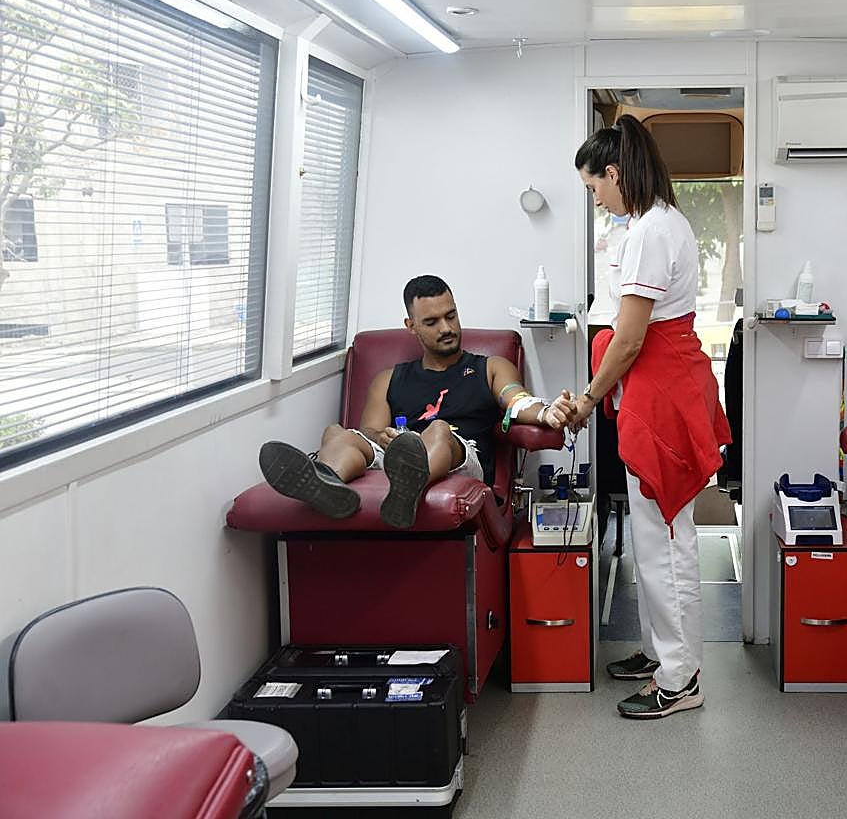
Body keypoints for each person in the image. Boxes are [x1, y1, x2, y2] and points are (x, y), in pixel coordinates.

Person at [573, 115, 731, 720]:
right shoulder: (660, 221)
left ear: (613, 174)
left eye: (595, 188)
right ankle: (661, 653)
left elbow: (629, 339)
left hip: (660, 392)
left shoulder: (648, 232)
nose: (597, 198)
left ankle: (679, 678)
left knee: (665, 539)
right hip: (666, 384)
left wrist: (588, 398)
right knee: (656, 536)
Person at [258, 275, 575, 528]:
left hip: (460, 455)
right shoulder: (388, 378)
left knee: (437, 430)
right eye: (432, 322)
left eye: (451, 316)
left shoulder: (490, 367)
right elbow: (369, 429)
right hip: (398, 452)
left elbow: (517, 401)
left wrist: (548, 413)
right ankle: (327, 484)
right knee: (336, 434)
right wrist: (380, 437)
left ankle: (410, 485)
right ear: (411, 326)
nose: (447, 328)